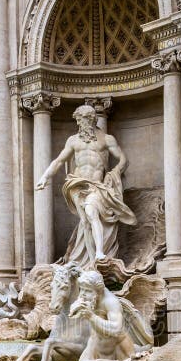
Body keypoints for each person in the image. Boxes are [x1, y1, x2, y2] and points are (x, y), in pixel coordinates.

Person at [36, 104, 136, 267]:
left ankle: (99, 252)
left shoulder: (106, 139)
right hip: (77, 184)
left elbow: (124, 159)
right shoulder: (73, 141)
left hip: (96, 185)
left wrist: (114, 173)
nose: (81, 124)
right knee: (84, 222)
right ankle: (90, 262)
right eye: (79, 121)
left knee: (91, 211)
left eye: (84, 120)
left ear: (92, 119)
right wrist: (45, 177)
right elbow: (59, 160)